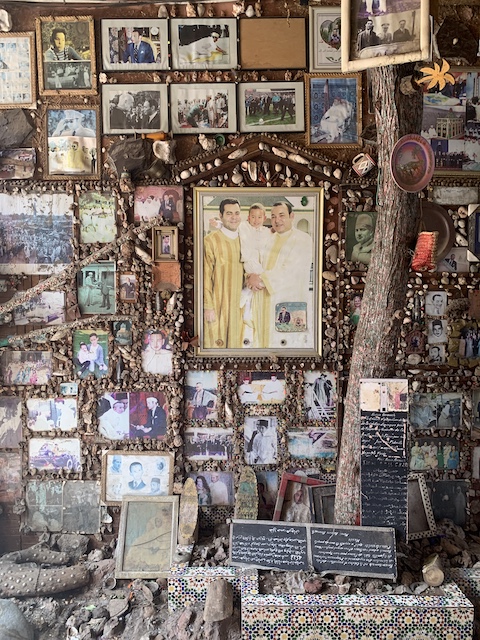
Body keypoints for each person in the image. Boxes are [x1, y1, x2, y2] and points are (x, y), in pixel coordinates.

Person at [246, 201, 312, 349]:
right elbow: (257, 264)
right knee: (262, 343)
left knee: (286, 346)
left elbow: (290, 271)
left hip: (287, 301)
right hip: (264, 301)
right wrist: (250, 276)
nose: (277, 220)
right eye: (273, 216)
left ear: (291, 216)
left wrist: (259, 280)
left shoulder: (303, 239)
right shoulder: (270, 239)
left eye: (281, 215)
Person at [203, 198, 244, 349]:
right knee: (216, 344)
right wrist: (208, 306)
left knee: (237, 345)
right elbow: (205, 276)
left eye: (237, 213)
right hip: (217, 303)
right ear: (220, 216)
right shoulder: (210, 241)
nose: (234, 217)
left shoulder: (245, 240)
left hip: (239, 304)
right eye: (229, 213)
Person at [238, 203, 271, 332]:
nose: (256, 220)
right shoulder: (243, 227)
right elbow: (231, 228)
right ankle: (244, 293)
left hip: (259, 262)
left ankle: (247, 314)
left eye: (259, 217)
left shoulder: (266, 232)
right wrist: (217, 224)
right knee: (259, 281)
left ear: (264, 218)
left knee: (255, 288)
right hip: (249, 260)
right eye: (253, 217)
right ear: (248, 218)